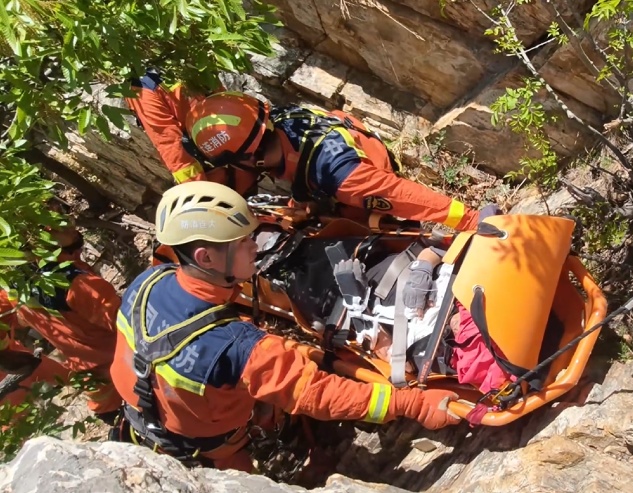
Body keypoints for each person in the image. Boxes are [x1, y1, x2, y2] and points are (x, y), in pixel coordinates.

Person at [109, 180, 461, 472]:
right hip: (210, 451)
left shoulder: (149, 282)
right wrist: (412, 405)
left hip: (141, 418)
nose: (254, 245)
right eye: (245, 240)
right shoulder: (238, 348)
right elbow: (319, 395)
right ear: (205, 257)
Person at [127, 69, 487, 230]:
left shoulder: (337, 174)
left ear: (251, 160)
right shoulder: (273, 118)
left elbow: (399, 194)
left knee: (360, 229)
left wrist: (470, 219)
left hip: (361, 171)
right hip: (343, 147)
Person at [0, 204, 123, 422]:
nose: (69, 222)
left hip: (89, 373)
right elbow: (128, 324)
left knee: (110, 415)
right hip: (121, 360)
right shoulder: (79, 285)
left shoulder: (16, 283)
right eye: (57, 224)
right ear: (38, 241)